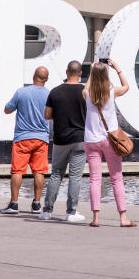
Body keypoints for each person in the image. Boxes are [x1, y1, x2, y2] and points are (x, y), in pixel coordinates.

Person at [83, 59, 136, 228]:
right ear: (106, 76)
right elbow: (127, 86)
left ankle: (96, 218)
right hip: (110, 140)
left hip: (91, 140)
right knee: (116, 178)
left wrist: (92, 72)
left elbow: (86, 87)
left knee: (95, 180)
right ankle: (123, 218)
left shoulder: (87, 94)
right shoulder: (112, 91)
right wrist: (117, 68)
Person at [40, 60, 87, 222]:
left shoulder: (55, 92)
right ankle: (71, 212)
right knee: (75, 177)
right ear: (80, 73)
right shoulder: (85, 92)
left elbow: (47, 115)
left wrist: (60, 117)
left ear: (67, 72)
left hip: (60, 138)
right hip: (80, 138)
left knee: (56, 174)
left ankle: (46, 211)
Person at [2, 66, 51, 214]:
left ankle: (14, 204)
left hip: (22, 138)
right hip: (42, 138)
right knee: (39, 171)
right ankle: (36, 204)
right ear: (46, 79)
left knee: (17, 171)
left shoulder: (21, 92)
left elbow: (7, 109)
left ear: (33, 77)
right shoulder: (50, 95)